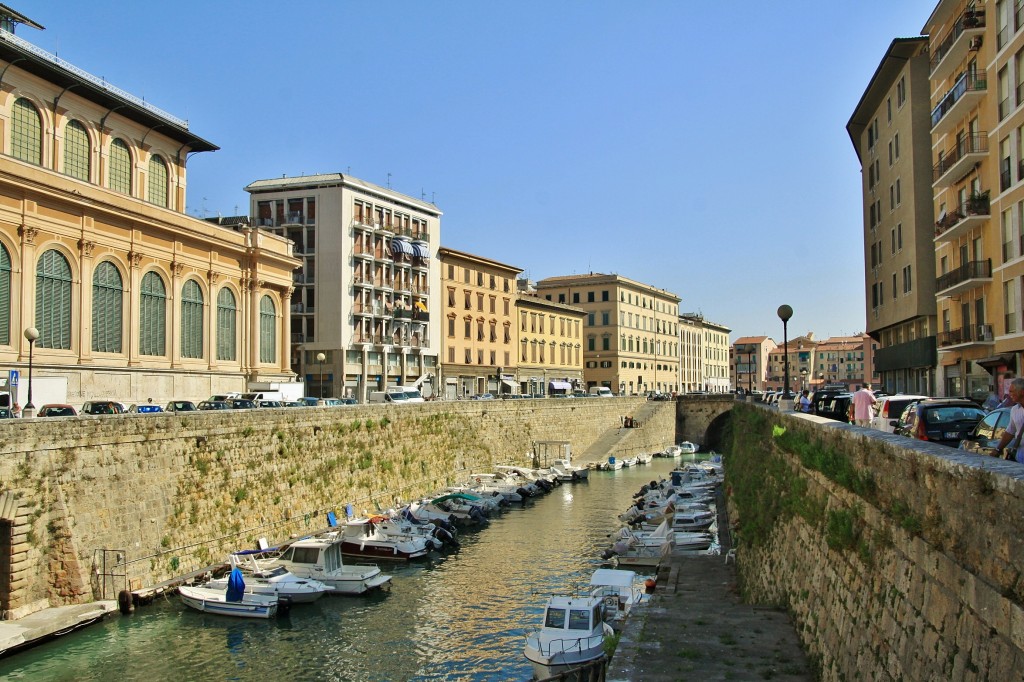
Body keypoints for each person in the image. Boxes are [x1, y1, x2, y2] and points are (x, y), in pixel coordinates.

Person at [995, 378, 1024, 462]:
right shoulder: (1015, 410)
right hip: (1021, 457)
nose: (1009, 394)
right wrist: (998, 449)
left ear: (1022, 392)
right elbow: (1010, 431)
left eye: (1012, 391)